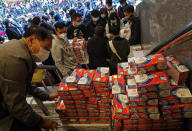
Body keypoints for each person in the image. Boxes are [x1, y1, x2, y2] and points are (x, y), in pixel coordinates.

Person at [0, 26, 58, 131]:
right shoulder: (17, 58)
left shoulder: (20, 48)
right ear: (32, 40)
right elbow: (17, 105)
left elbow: (25, 85)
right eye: (46, 48)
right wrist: (41, 121)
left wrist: (47, 97)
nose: (47, 53)